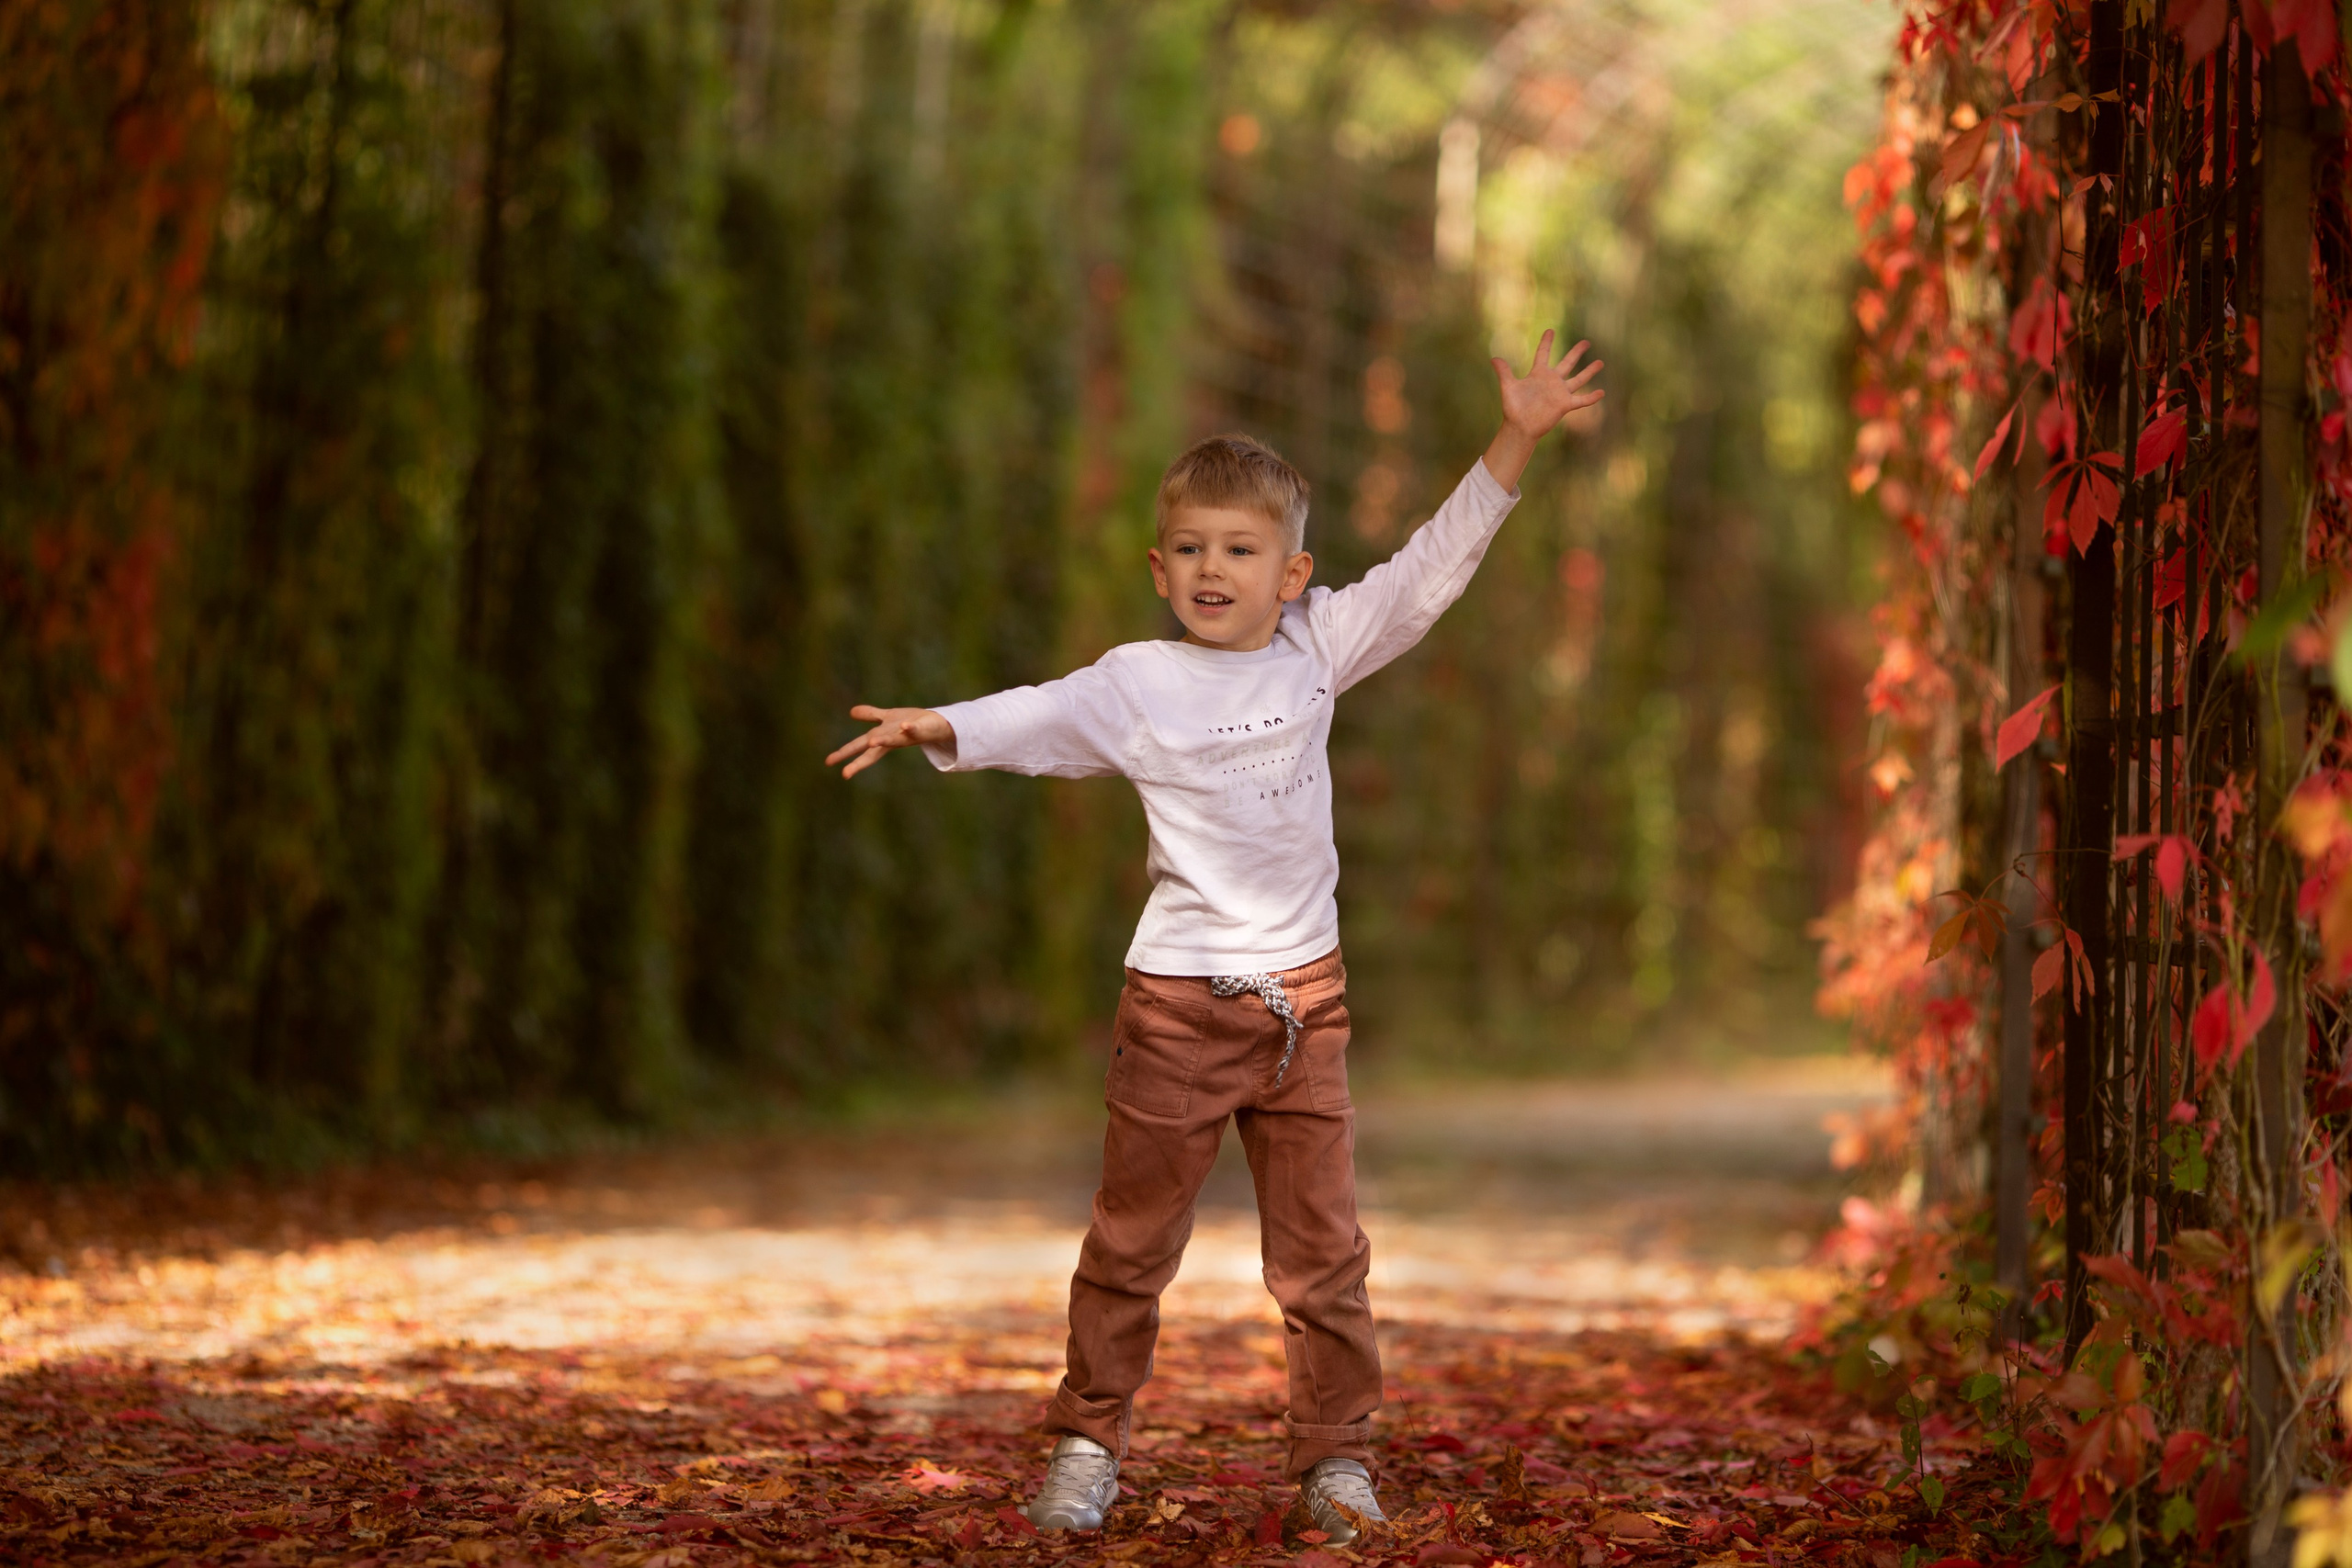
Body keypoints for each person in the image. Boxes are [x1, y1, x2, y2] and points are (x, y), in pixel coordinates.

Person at [825, 332, 1604, 1544]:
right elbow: (1037, 714)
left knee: (1322, 1260)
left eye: (1240, 551)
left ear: (1291, 574)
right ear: (1158, 565)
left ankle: (1335, 1464)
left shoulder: (1322, 648)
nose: (1212, 568)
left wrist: (1516, 438)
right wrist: (940, 724)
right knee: (1130, 1244)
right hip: (1177, 1010)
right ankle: (1087, 1445)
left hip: (1307, 1010)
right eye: (1189, 548)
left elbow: (1431, 569)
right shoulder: (1138, 683)